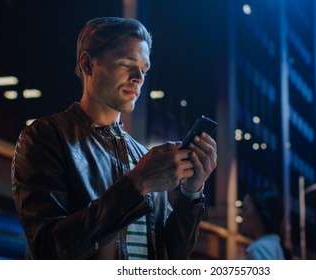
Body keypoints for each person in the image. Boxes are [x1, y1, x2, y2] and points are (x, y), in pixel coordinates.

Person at [11, 17, 217, 260]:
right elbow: (49, 250)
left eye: (144, 69)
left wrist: (191, 193)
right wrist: (138, 183)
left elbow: (169, 256)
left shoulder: (142, 156)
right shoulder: (46, 137)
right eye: (126, 64)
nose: (139, 77)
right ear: (87, 63)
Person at [240, 189, 285, 260]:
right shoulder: (272, 244)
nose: (242, 213)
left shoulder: (260, 248)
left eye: (246, 209)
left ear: (259, 214)